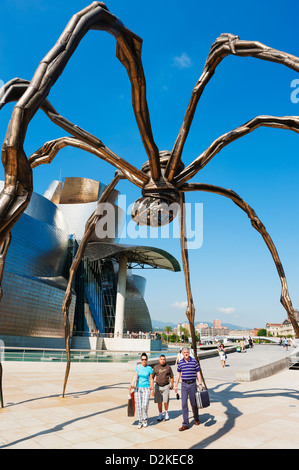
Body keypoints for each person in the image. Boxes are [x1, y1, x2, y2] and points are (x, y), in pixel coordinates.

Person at [174, 347, 203, 431]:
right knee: (184, 404)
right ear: (182, 353)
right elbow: (178, 374)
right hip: (184, 385)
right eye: (184, 352)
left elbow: (198, 372)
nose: (186, 354)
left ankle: (196, 418)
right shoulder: (180, 362)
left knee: (194, 403)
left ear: (189, 352)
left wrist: (200, 383)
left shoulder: (194, 361)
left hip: (193, 384)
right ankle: (185, 424)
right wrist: (176, 385)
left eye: (187, 352)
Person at [128, 352, 154, 429]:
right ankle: (140, 421)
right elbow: (134, 376)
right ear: (141, 360)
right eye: (142, 359)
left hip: (146, 388)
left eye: (145, 359)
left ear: (147, 360)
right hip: (138, 388)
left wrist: (152, 389)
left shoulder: (149, 368)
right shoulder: (138, 367)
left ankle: (145, 419)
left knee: (145, 405)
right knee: (139, 406)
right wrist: (130, 385)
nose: (144, 361)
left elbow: (151, 379)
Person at [152, 355, 174, 422]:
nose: (162, 360)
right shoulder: (156, 367)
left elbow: (172, 377)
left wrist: (172, 385)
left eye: (164, 359)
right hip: (158, 386)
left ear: (165, 360)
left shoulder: (168, 367)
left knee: (166, 400)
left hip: (166, 386)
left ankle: (166, 413)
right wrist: (152, 387)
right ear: (159, 360)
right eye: (161, 359)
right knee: (159, 401)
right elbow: (152, 377)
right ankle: (160, 414)